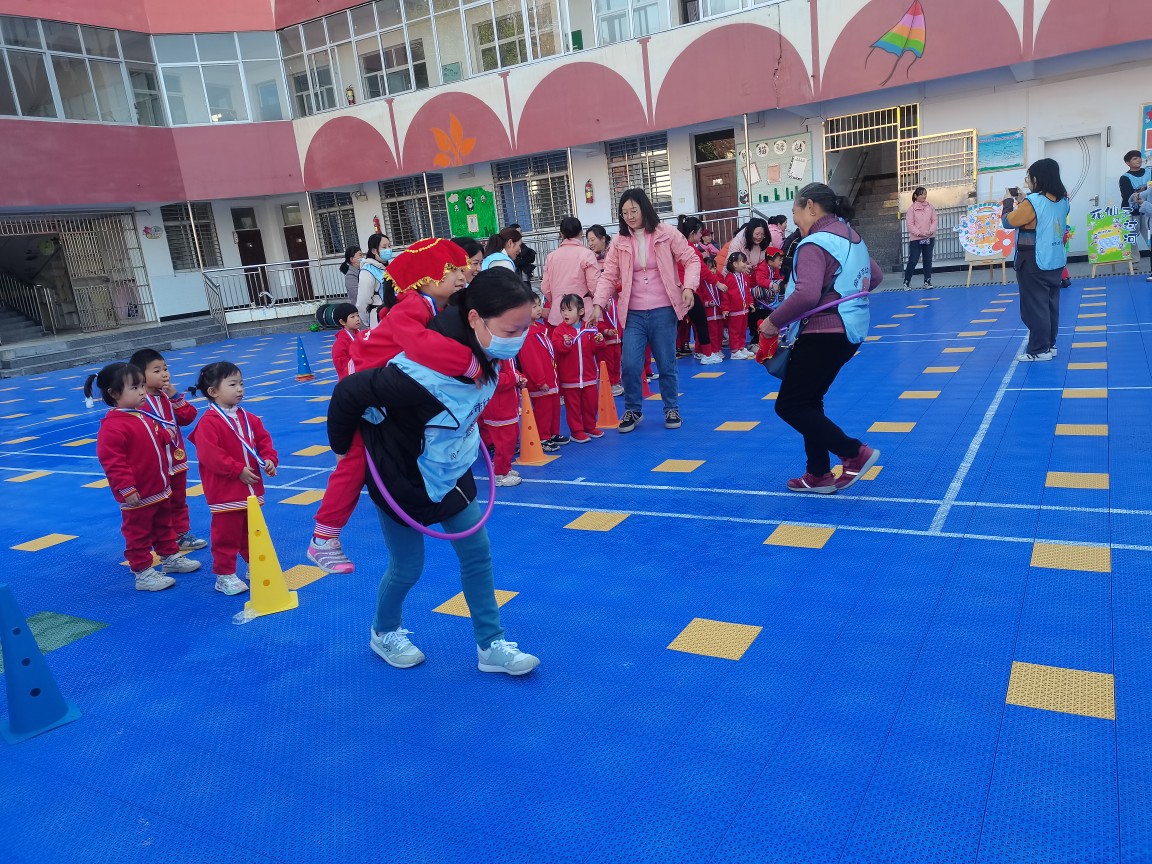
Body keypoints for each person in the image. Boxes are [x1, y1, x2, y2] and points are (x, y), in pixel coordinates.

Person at [327, 267, 540, 676]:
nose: (518, 339)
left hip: (449, 467)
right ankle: (384, 631)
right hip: (400, 475)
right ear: (475, 318)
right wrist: (343, 451)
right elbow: (348, 392)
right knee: (407, 566)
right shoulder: (418, 374)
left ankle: (491, 644)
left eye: (524, 329)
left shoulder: (484, 351)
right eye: (511, 330)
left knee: (477, 553)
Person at [308, 239, 479, 575]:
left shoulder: (435, 306)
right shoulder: (412, 306)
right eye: (452, 270)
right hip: (363, 386)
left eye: (463, 268)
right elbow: (420, 344)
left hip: (380, 386)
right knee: (354, 461)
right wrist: (469, 364)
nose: (462, 276)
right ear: (426, 278)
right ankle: (324, 537)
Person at [759, 182, 882, 494]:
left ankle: (853, 453)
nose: (795, 220)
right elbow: (875, 276)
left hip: (822, 332)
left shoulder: (814, 243)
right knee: (809, 401)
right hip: (850, 331)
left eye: (795, 212)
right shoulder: (851, 237)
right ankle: (818, 474)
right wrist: (845, 296)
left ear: (811, 206)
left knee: (790, 405)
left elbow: (806, 294)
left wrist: (772, 322)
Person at [591, 188, 699, 433]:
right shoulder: (619, 242)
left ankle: (671, 408)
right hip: (633, 313)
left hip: (663, 309)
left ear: (645, 209)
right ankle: (633, 410)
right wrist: (598, 303)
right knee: (630, 364)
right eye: (624, 212)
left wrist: (689, 287)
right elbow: (608, 276)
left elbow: (691, 259)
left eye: (634, 211)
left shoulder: (666, 233)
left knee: (666, 363)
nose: (629, 216)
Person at [87, 362, 201, 592]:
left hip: (159, 487)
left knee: (164, 526)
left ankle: (169, 557)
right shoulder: (113, 426)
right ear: (114, 393)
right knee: (138, 533)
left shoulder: (143, 416)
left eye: (141, 386)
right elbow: (113, 462)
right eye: (134, 388)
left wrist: (167, 435)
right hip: (138, 494)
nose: (141, 392)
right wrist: (126, 488)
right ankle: (142, 572)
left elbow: (154, 440)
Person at [187, 362, 278, 596]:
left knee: (253, 531)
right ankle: (224, 574)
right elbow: (210, 455)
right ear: (213, 391)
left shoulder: (249, 418)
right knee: (226, 535)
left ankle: (254, 564)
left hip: (251, 489)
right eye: (232, 384)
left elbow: (263, 441)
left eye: (241, 384)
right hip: (225, 492)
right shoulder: (209, 422)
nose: (239, 389)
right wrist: (237, 469)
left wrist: (269, 459)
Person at [129, 348, 206, 553]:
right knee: (159, 505)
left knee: (179, 500)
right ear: (140, 375)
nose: (164, 374)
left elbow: (188, 417)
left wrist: (175, 396)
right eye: (156, 371)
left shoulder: (168, 396)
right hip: (155, 464)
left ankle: (181, 535)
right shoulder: (138, 402)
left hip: (176, 459)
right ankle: (160, 540)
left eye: (165, 368)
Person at [1002, 158, 1071, 361]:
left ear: (1037, 178)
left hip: (1033, 260)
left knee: (1034, 307)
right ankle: (1050, 344)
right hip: (1055, 260)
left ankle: (1039, 350)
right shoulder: (1063, 200)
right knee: (1050, 305)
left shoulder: (1032, 202)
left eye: (1029, 177)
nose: (1028, 181)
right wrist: (1025, 200)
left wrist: (1008, 202)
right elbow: (1043, 215)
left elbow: (1009, 221)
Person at [552, 293, 604, 443]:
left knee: (591, 404)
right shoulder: (559, 331)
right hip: (570, 379)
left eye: (569, 310)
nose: (565, 314)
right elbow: (557, 348)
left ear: (581, 311)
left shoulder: (588, 327)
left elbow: (595, 349)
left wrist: (599, 340)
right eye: (563, 310)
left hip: (589, 376)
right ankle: (576, 431)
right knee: (573, 407)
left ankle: (590, 426)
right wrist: (566, 344)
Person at [519, 293, 565, 451]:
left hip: (551, 378)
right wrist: (540, 381)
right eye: (534, 307)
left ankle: (553, 433)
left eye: (539, 305)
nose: (539, 309)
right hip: (541, 382)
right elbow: (531, 361)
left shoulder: (540, 330)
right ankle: (543, 437)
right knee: (543, 411)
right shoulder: (527, 334)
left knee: (554, 408)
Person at [541, 216, 599, 327]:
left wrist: (555, 301)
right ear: (581, 233)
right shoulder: (587, 254)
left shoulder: (551, 257)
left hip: (559, 312)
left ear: (561, 234)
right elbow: (594, 285)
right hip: (583, 313)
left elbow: (545, 287)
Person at [674, 214, 714, 362]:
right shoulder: (691, 250)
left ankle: (674, 352)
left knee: (677, 324)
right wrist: (717, 283)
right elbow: (703, 270)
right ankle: (707, 354)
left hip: (677, 289)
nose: (701, 236)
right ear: (692, 233)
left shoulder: (677, 246)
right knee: (701, 322)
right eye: (699, 233)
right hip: (689, 290)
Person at [479, 358, 523, 486]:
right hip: (499, 408)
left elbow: (511, 371)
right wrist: (515, 378)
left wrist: (520, 378)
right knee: (504, 443)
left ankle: (505, 468)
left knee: (511, 440)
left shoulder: (505, 355)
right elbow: (493, 378)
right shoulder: (493, 355)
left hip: (507, 406)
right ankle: (500, 474)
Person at [1119, 150, 1152, 281]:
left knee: (1149, 234)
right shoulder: (1125, 177)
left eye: (1139, 157)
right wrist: (1142, 190)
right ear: (1128, 163)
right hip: (1131, 211)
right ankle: (1134, 261)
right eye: (1134, 159)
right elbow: (1127, 195)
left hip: (1148, 210)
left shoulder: (1149, 172)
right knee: (1131, 237)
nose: (1138, 160)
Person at [902, 187, 938, 289]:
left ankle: (927, 281)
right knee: (913, 260)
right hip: (916, 239)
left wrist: (930, 231)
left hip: (929, 237)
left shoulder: (930, 207)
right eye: (921, 194)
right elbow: (910, 224)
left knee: (928, 259)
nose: (924, 196)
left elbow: (935, 220)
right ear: (915, 196)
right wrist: (919, 234)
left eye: (925, 194)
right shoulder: (911, 209)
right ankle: (906, 282)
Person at [356, 233, 393, 327]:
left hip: (393, 315)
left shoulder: (390, 267)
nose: (388, 249)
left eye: (389, 246)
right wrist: (367, 320)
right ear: (374, 250)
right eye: (384, 247)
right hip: (378, 318)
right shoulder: (367, 271)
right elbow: (362, 301)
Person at [722, 251, 754, 358]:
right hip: (734, 311)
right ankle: (734, 351)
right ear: (735, 264)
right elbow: (725, 295)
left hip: (744, 309)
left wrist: (750, 303)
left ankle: (741, 347)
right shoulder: (729, 278)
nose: (745, 264)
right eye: (743, 262)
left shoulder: (744, 276)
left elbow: (747, 291)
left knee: (743, 330)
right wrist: (725, 308)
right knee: (734, 331)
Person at [698, 256, 725, 365]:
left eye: (714, 268)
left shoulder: (718, 281)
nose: (712, 271)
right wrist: (707, 304)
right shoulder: (701, 283)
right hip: (709, 313)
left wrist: (724, 308)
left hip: (718, 312)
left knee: (719, 333)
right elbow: (700, 298)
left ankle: (718, 349)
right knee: (712, 334)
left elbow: (723, 296)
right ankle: (713, 350)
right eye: (710, 268)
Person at [330, 303, 361, 379]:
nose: (357, 319)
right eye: (352, 317)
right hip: (352, 380)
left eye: (357, 315)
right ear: (342, 322)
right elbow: (343, 368)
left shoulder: (363, 336)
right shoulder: (339, 344)